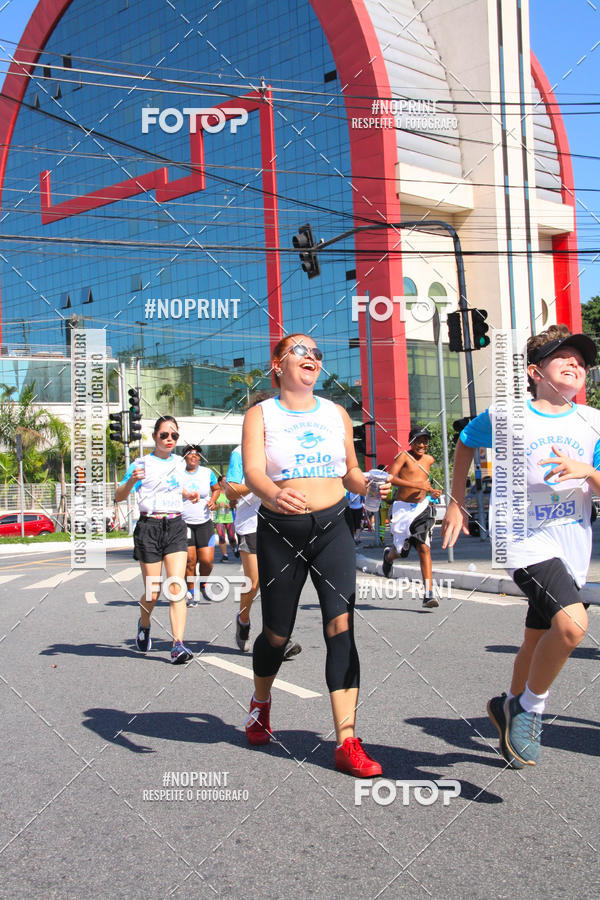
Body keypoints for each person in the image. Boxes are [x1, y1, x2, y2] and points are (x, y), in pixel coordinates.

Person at [441, 325, 600, 768]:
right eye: (563, 356)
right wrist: (456, 502)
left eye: (581, 359)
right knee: (572, 626)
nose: (575, 363)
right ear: (535, 371)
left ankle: (507, 705)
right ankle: (529, 708)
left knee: (537, 640)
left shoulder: (594, 422)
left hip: (571, 544)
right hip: (522, 539)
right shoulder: (509, 415)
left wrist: (584, 470)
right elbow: (466, 441)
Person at [241, 333, 391, 776]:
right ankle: (261, 702)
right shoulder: (260, 413)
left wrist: (371, 486)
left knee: (340, 626)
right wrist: (272, 493)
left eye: (316, 353)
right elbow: (252, 471)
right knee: (276, 633)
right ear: (278, 364)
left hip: (333, 528)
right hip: (280, 531)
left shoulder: (337, 413)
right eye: (299, 351)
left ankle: (347, 741)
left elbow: (350, 474)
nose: (311, 357)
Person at [115, 415, 198, 664]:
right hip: (149, 527)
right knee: (152, 593)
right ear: (154, 437)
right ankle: (144, 623)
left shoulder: (180, 463)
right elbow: (118, 496)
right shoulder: (141, 463)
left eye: (174, 435)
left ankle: (177, 645)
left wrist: (188, 493)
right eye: (164, 435)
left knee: (176, 588)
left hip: (174, 525)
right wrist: (131, 480)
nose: (169, 439)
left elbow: (172, 486)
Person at [226, 392, 302, 658]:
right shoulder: (240, 454)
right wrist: (259, 480)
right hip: (251, 525)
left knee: (280, 582)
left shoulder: (285, 451)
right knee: (255, 581)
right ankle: (243, 619)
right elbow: (231, 492)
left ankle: (281, 638)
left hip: (282, 522)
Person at [381, 427, 441, 608]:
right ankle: (388, 557)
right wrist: (415, 484)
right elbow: (389, 477)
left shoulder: (429, 460)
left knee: (424, 547)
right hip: (402, 509)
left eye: (425, 441)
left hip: (422, 508)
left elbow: (426, 482)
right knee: (402, 551)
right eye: (418, 441)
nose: (422, 445)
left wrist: (432, 492)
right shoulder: (403, 457)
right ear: (411, 442)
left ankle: (428, 593)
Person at [180, 444, 220, 606]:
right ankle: (191, 593)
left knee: (207, 561)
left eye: (197, 454)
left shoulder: (207, 473)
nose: (194, 457)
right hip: (183, 523)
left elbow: (216, 488)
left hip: (204, 523)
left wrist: (212, 501)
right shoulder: (178, 474)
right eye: (190, 454)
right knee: (190, 560)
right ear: (184, 457)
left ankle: (203, 583)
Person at [214, 475, 239, 561]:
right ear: (220, 483)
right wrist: (217, 506)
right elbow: (211, 506)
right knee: (221, 536)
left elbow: (236, 504)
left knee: (231, 537)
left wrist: (231, 505)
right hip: (219, 519)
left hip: (230, 518)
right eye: (225, 481)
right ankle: (225, 555)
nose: (227, 482)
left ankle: (234, 548)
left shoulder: (230, 493)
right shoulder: (216, 494)